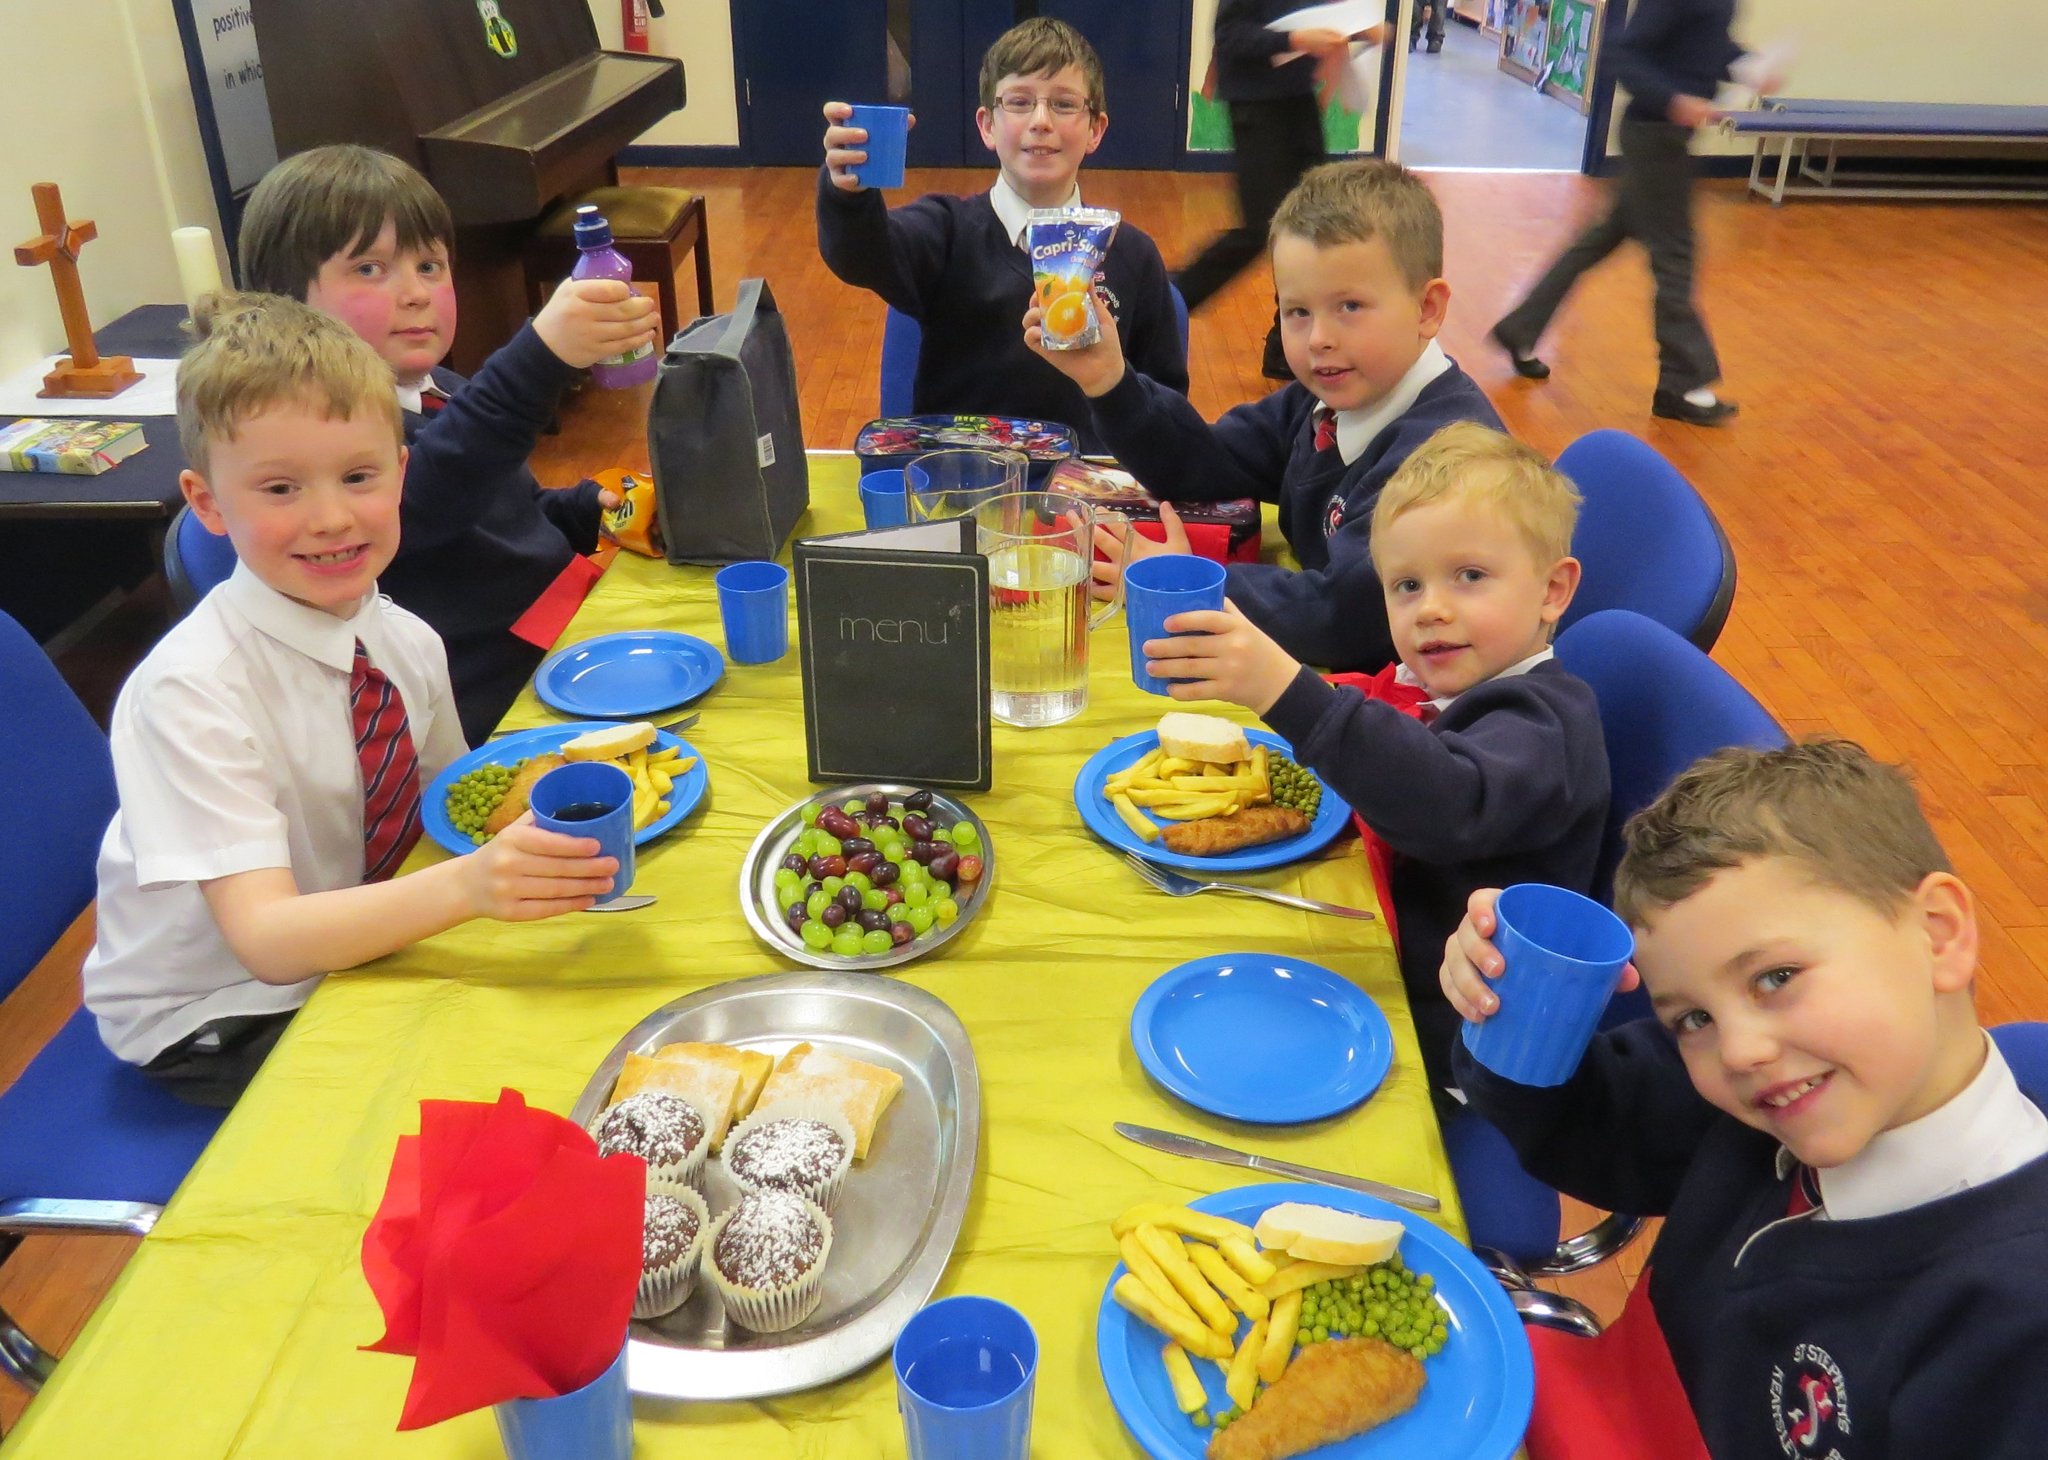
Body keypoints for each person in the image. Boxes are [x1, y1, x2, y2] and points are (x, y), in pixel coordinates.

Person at [80, 294, 622, 1106]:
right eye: (280, 489)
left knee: (572, 1014)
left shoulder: (405, 641)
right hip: (225, 1007)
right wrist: (473, 889)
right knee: (481, 1097)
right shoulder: (189, 691)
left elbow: (451, 816)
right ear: (207, 503)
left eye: (359, 476)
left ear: (402, 472)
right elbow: (266, 939)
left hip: (355, 934)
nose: (331, 518)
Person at [1443, 740, 2048, 1458]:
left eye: (1776, 977)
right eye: (1692, 1019)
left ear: (1938, 934)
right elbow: (1596, 1124)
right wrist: (1506, 996)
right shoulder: (1773, 1089)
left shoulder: (2015, 1327)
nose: (1738, 1051)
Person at [1142, 423, 1607, 1094]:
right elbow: (1393, 715)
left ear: (1553, 591)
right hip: (1383, 949)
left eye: (1469, 576)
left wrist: (1286, 690)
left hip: (1449, 1047)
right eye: (1407, 586)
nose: (1431, 610)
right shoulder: (1454, 684)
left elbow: (1444, 802)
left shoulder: (1545, 725)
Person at [239, 144, 662, 744]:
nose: (414, 293)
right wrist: (538, 356)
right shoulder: (329, 442)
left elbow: (500, 514)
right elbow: (431, 495)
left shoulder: (441, 389)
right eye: (369, 269)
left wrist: (580, 509)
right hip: (493, 699)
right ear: (287, 301)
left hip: (562, 631)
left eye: (430, 267)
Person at [1028, 159, 1503, 672]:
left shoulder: (1445, 465)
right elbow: (1201, 464)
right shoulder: (1324, 402)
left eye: (1350, 307)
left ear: (1428, 308)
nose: (1319, 337)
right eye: (1297, 312)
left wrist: (1184, 580)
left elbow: (1340, 619)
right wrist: (1110, 381)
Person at [816, 17, 1188, 451]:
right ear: (987, 125)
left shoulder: (1133, 255)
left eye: (1065, 105)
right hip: (960, 486)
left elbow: (1167, 411)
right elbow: (863, 253)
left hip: (1087, 498)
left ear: (1096, 130)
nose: (1041, 121)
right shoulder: (946, 230)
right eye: (1019, 102)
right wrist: (849, 194)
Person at [1488, 0, 1765, 426]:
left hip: (1662, 138)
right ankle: (1682, 383)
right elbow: (1622, 53)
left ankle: (1520, 330)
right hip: (1656, 139)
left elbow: (1704, 40)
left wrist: (1748, 65)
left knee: (1597, 241)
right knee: (1675, 258)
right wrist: (1672, 99)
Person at [1176, 4, 1389, 380]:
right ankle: (1166, 302)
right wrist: (1294, 39)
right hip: (1256, 105)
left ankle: (1281, 348)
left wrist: (1357, 33)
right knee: (1260, 228)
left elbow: (1320, 21)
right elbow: (1231, 36)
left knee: (1313, 223)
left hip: (1297, 100)